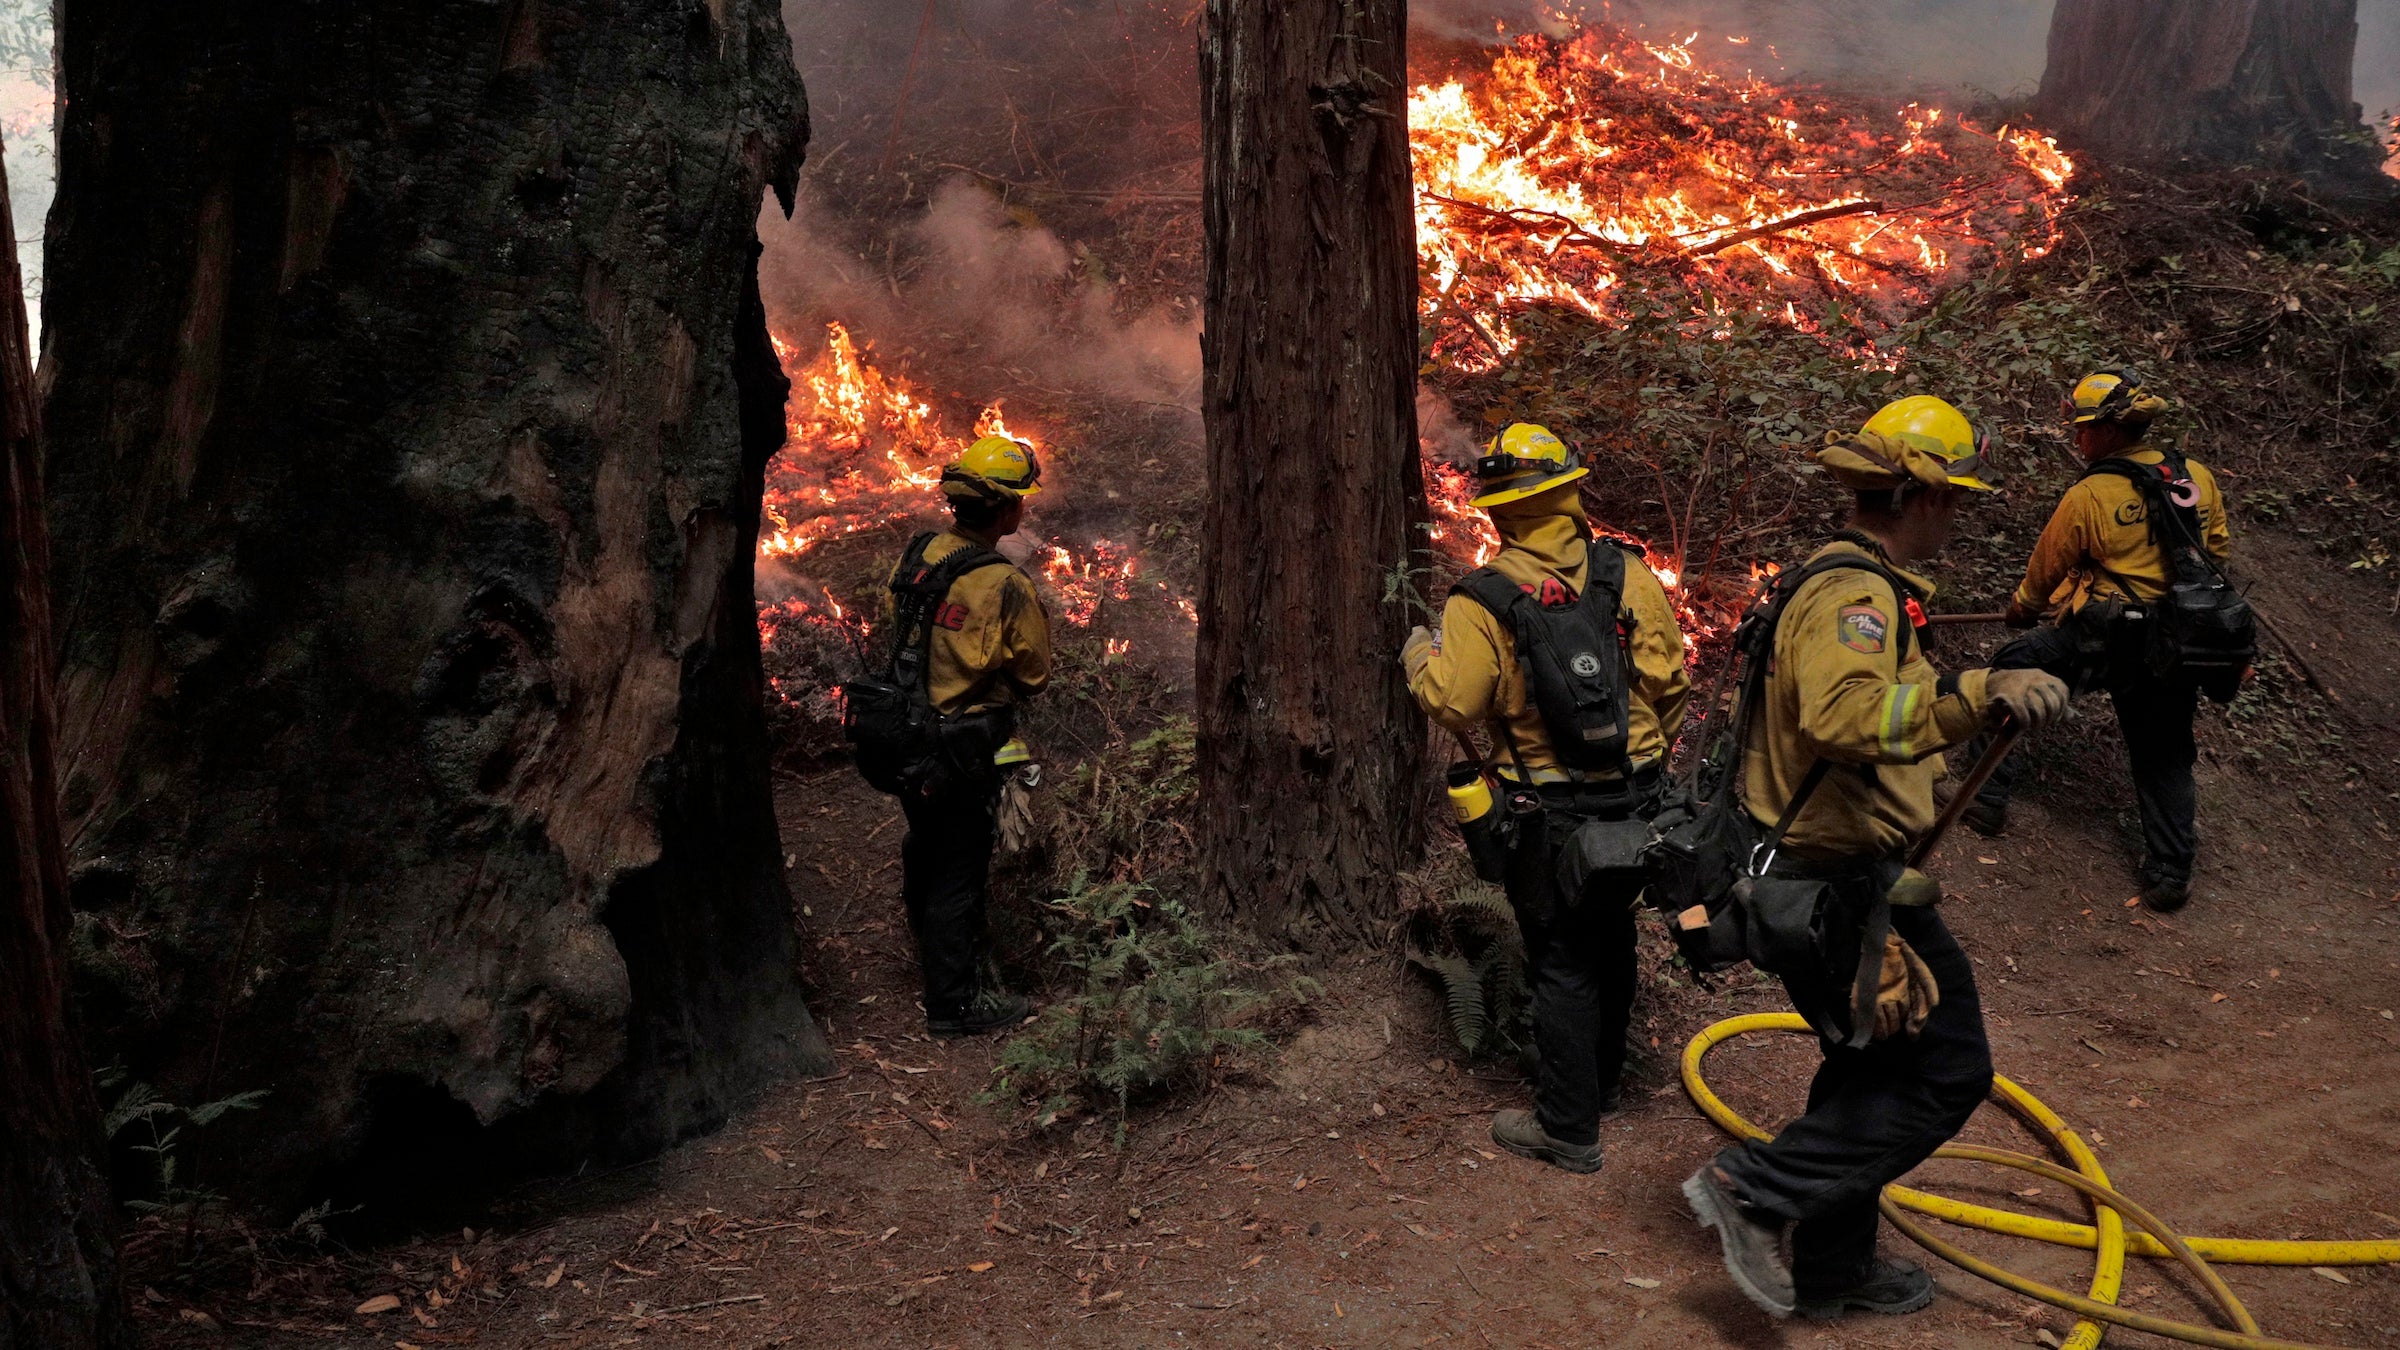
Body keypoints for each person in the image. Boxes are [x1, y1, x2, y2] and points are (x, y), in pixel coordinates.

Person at [1681, 398, 2070, 1319]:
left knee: (1868, 1069)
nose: (1959, 516)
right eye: (1956, 499)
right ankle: (1755, 1190)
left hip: (1845, 877)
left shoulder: (1850, 584)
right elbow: (1843, 716)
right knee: (1946, 1070)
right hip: (1836, 890)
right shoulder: (1855, 596)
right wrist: (1978, 691)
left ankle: (1832, 1268)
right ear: (1918, 494)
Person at [1404, 423, 1690, 1174]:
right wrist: (1643, 765)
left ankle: (1567, 1127)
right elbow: (1670, 685)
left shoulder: (1483, 599)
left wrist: (1415, 656)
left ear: (1497, 509)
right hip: (1636, 806)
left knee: (1561, 958)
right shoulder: (1627, 576)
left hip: (1550, 817)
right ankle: (1601, 1085)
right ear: (1571, 490)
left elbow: (1454, 703)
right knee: (1616, 937)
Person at [1958, 370, 2231, 912]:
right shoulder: (2195, 476)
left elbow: (2044, 570)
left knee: (2014, 669)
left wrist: (2024, 611)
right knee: (2164, 755)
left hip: (2104, 642)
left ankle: (1984, 799)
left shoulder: (2091, 493)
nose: (2078, 439)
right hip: (2177, 644)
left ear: (2109, 430)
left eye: (2083, 429)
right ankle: (2170, 873)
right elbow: (2217, 551)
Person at [883, 435, 1051, 1036]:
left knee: (922, 840)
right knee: (960, 865)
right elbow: (1034, 673)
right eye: (1021, 500)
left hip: (901, 735)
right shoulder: (1005, 584)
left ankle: (924, 937)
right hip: (958, 748)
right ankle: (953, 1004)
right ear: (1007, 510)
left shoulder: (921, 552)